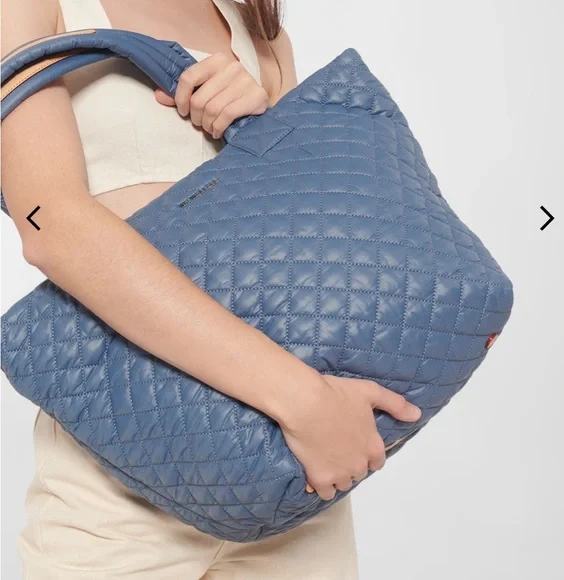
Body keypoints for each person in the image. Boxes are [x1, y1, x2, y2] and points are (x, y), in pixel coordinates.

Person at [1, 1, 422, 578]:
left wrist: (267, 129)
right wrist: (305, 401)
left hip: (291, 481)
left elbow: (309, 244)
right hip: (121, 474)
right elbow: (50, 227)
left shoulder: (257, 28)